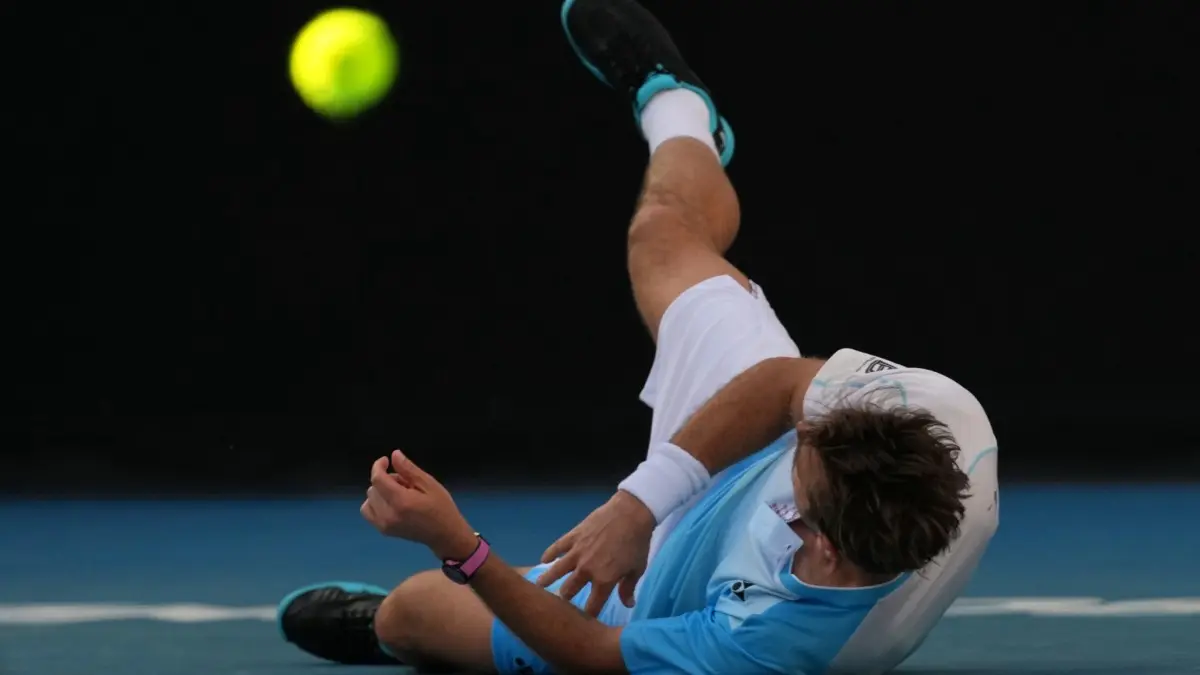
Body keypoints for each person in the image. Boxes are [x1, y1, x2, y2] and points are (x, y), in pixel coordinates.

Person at [277, 0, 1001, 672]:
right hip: (752, 452)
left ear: (821, 544)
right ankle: (676, 103)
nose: (809, 430)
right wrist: (638, 503)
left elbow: (597, 654)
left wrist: (457, 545)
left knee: (410, 616)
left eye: (808, 460)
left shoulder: (772, 644)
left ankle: (394, 624)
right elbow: (782, 387)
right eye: (816, 431)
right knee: (661, 236)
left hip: (676, 589)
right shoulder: (934, 412)